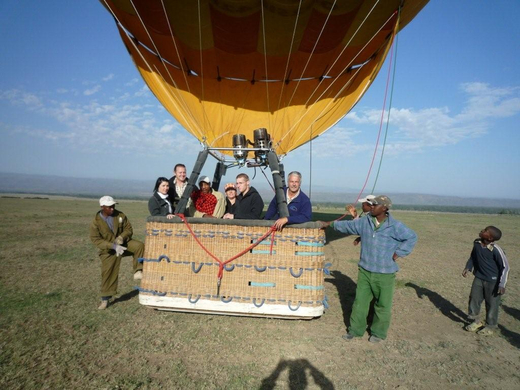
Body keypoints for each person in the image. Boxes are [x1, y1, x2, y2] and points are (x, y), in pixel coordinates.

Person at [318, 195, 417, 343]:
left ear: (384, 208)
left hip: (385, 273)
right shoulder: (365, 222)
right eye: (371, 205)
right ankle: (355, 330)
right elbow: (348, 226)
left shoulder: (395, 226)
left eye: (375, 205)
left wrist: (399, 253)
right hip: (365, 270)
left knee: (382, 305)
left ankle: (378, 333)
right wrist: (329, 224)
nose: (371, 207)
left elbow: (411, 237)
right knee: (360, 302)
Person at [89, 196, 145, 310]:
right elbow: (96, 240)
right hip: (108, 250)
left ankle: (138, 270)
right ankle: (105, 299)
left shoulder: (120, 215)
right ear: (102, 207)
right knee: (108, 273)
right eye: (109, 207)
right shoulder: (95, 222)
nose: (112, 209)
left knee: (139, 246)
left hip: (123, 244)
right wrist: (112, 246)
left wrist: (121, 237)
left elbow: (128, 229)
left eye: (113, 206)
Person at [462, 226, 510, 335]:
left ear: (490, 238)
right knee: (474, 299)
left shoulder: (496, 249)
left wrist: (502, 284)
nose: (482, 231)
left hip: (493, 281)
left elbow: (505, 267)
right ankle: (476, 321)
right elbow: (473, 257)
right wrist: (468, 267)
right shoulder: (477, 243)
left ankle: (490, 326)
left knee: (492, 304)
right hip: (479, 277)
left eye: (485, 231)